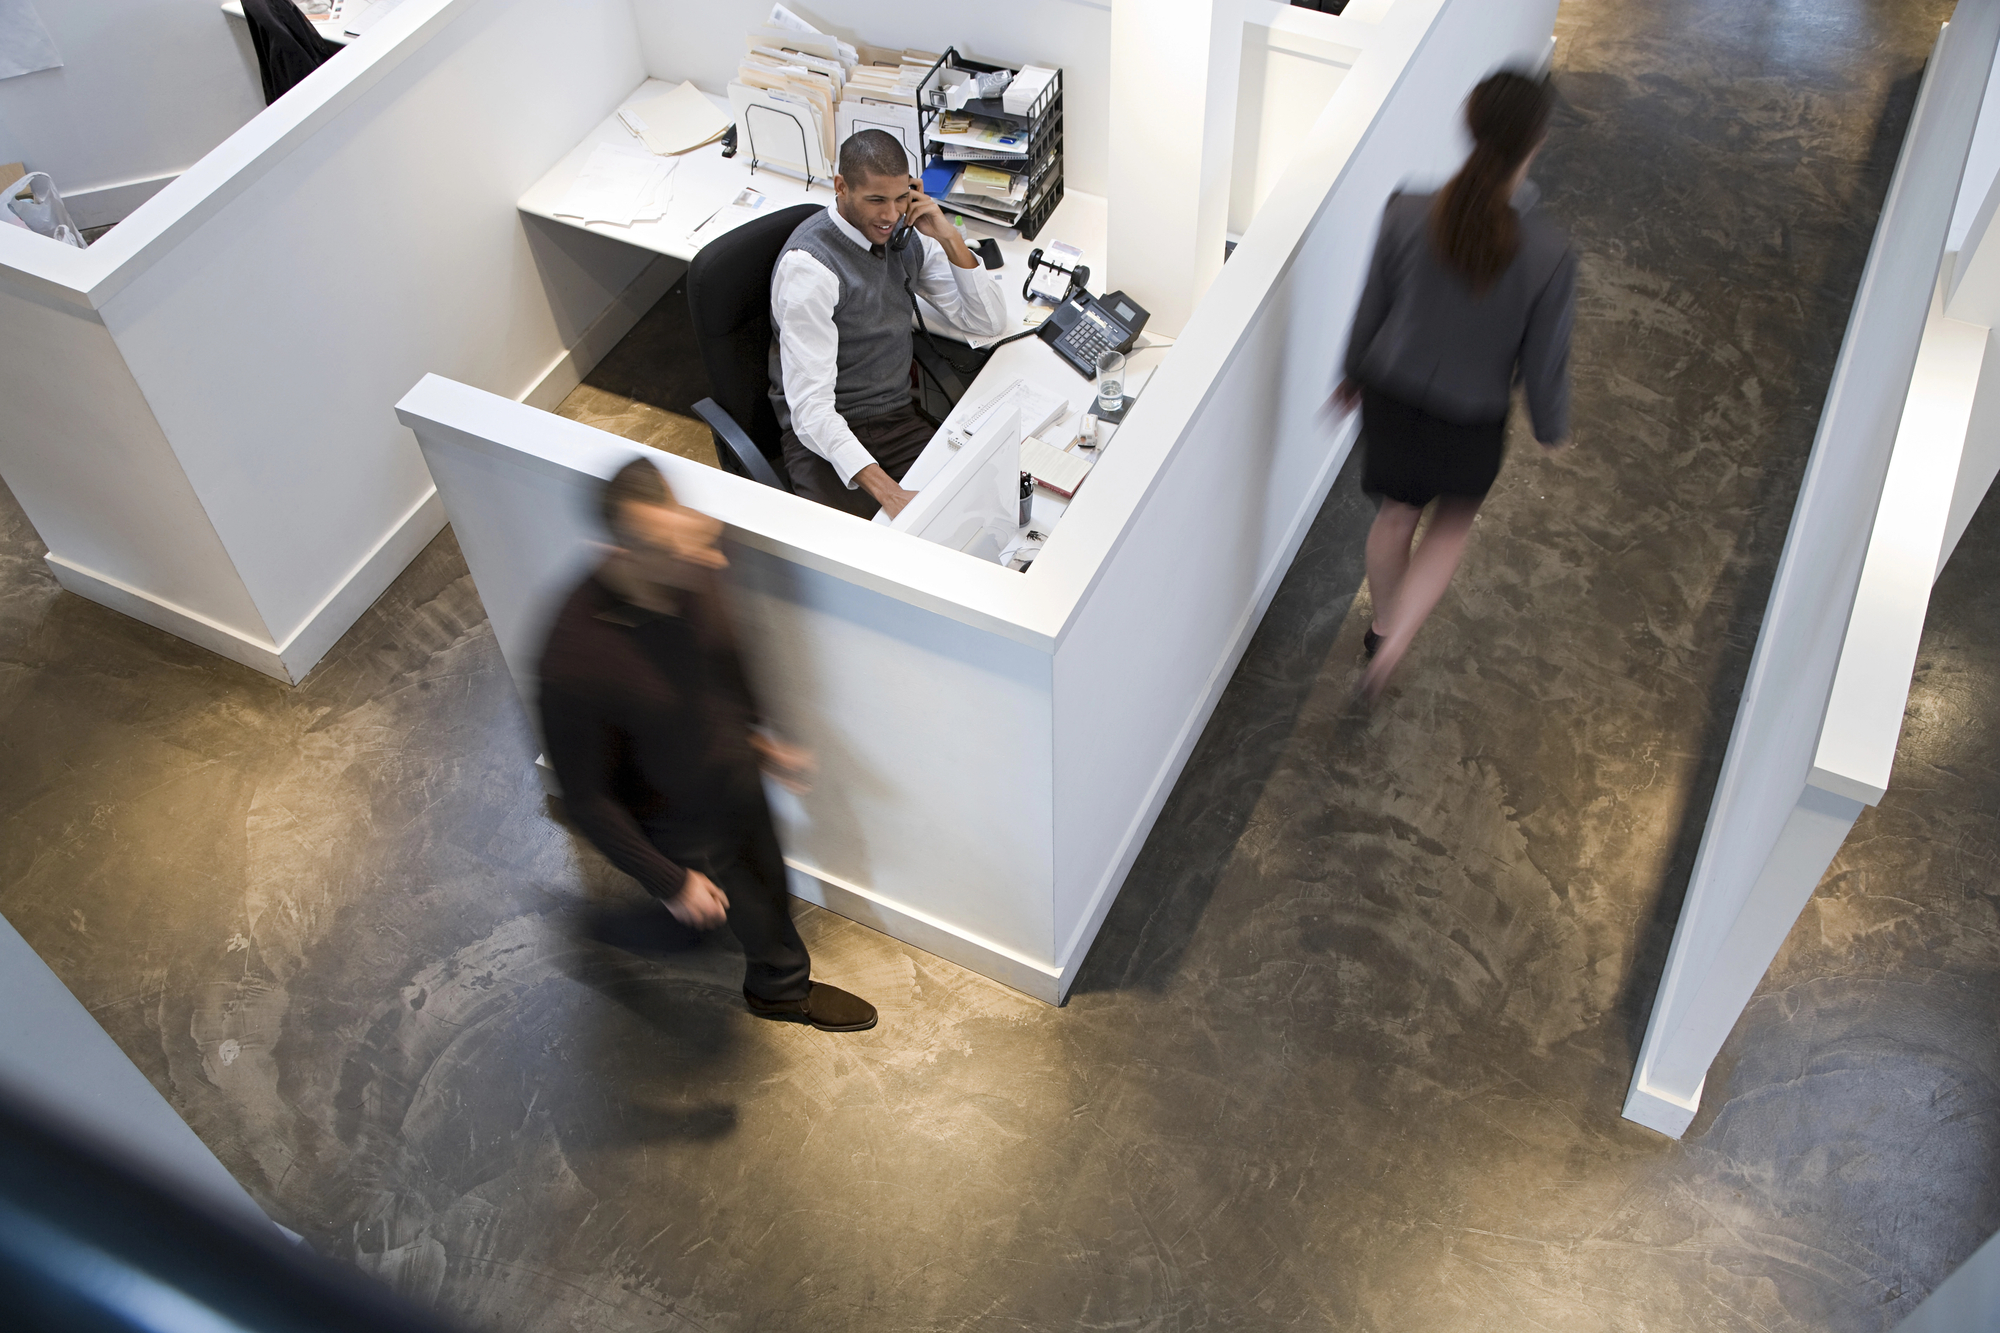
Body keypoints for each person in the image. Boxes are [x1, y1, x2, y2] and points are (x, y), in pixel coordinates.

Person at [538, 457, 878, 1032]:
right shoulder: (575, 658)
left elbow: (725, 657)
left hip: (730, 769)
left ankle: (780, 991)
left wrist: (759, 736)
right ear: (626, 551)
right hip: (666, 812)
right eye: (673, 549)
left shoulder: (691, 563)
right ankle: (599, 931)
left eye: (686, 533)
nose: (707, 557)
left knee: (765, 881)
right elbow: (588, 798)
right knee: (696, 924)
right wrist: (670, 880)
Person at [1333, 70, 1576, 700]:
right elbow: (1546, 356)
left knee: (1395, 516)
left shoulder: (1406, 210)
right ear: (1538, 140)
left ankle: (1384, 626)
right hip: (1470, 416)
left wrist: (1351, 374)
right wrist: (1550, 426)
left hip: (1391, 396)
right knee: (1450, 526)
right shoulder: (1550, 252)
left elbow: (1372, 306)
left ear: (1468, 123)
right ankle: (1400, 644)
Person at [770, 128, 1009, 518]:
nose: (890, 215)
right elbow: (811, 410)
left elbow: (987, 322)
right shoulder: (809, 270)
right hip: (825, 434)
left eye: (901, 198)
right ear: (841, 187)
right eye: (876, 200)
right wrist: (890, 493)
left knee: (973, 513)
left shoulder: (904, 234)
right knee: (862, 561)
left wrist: (948, 236)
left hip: (895, 419)